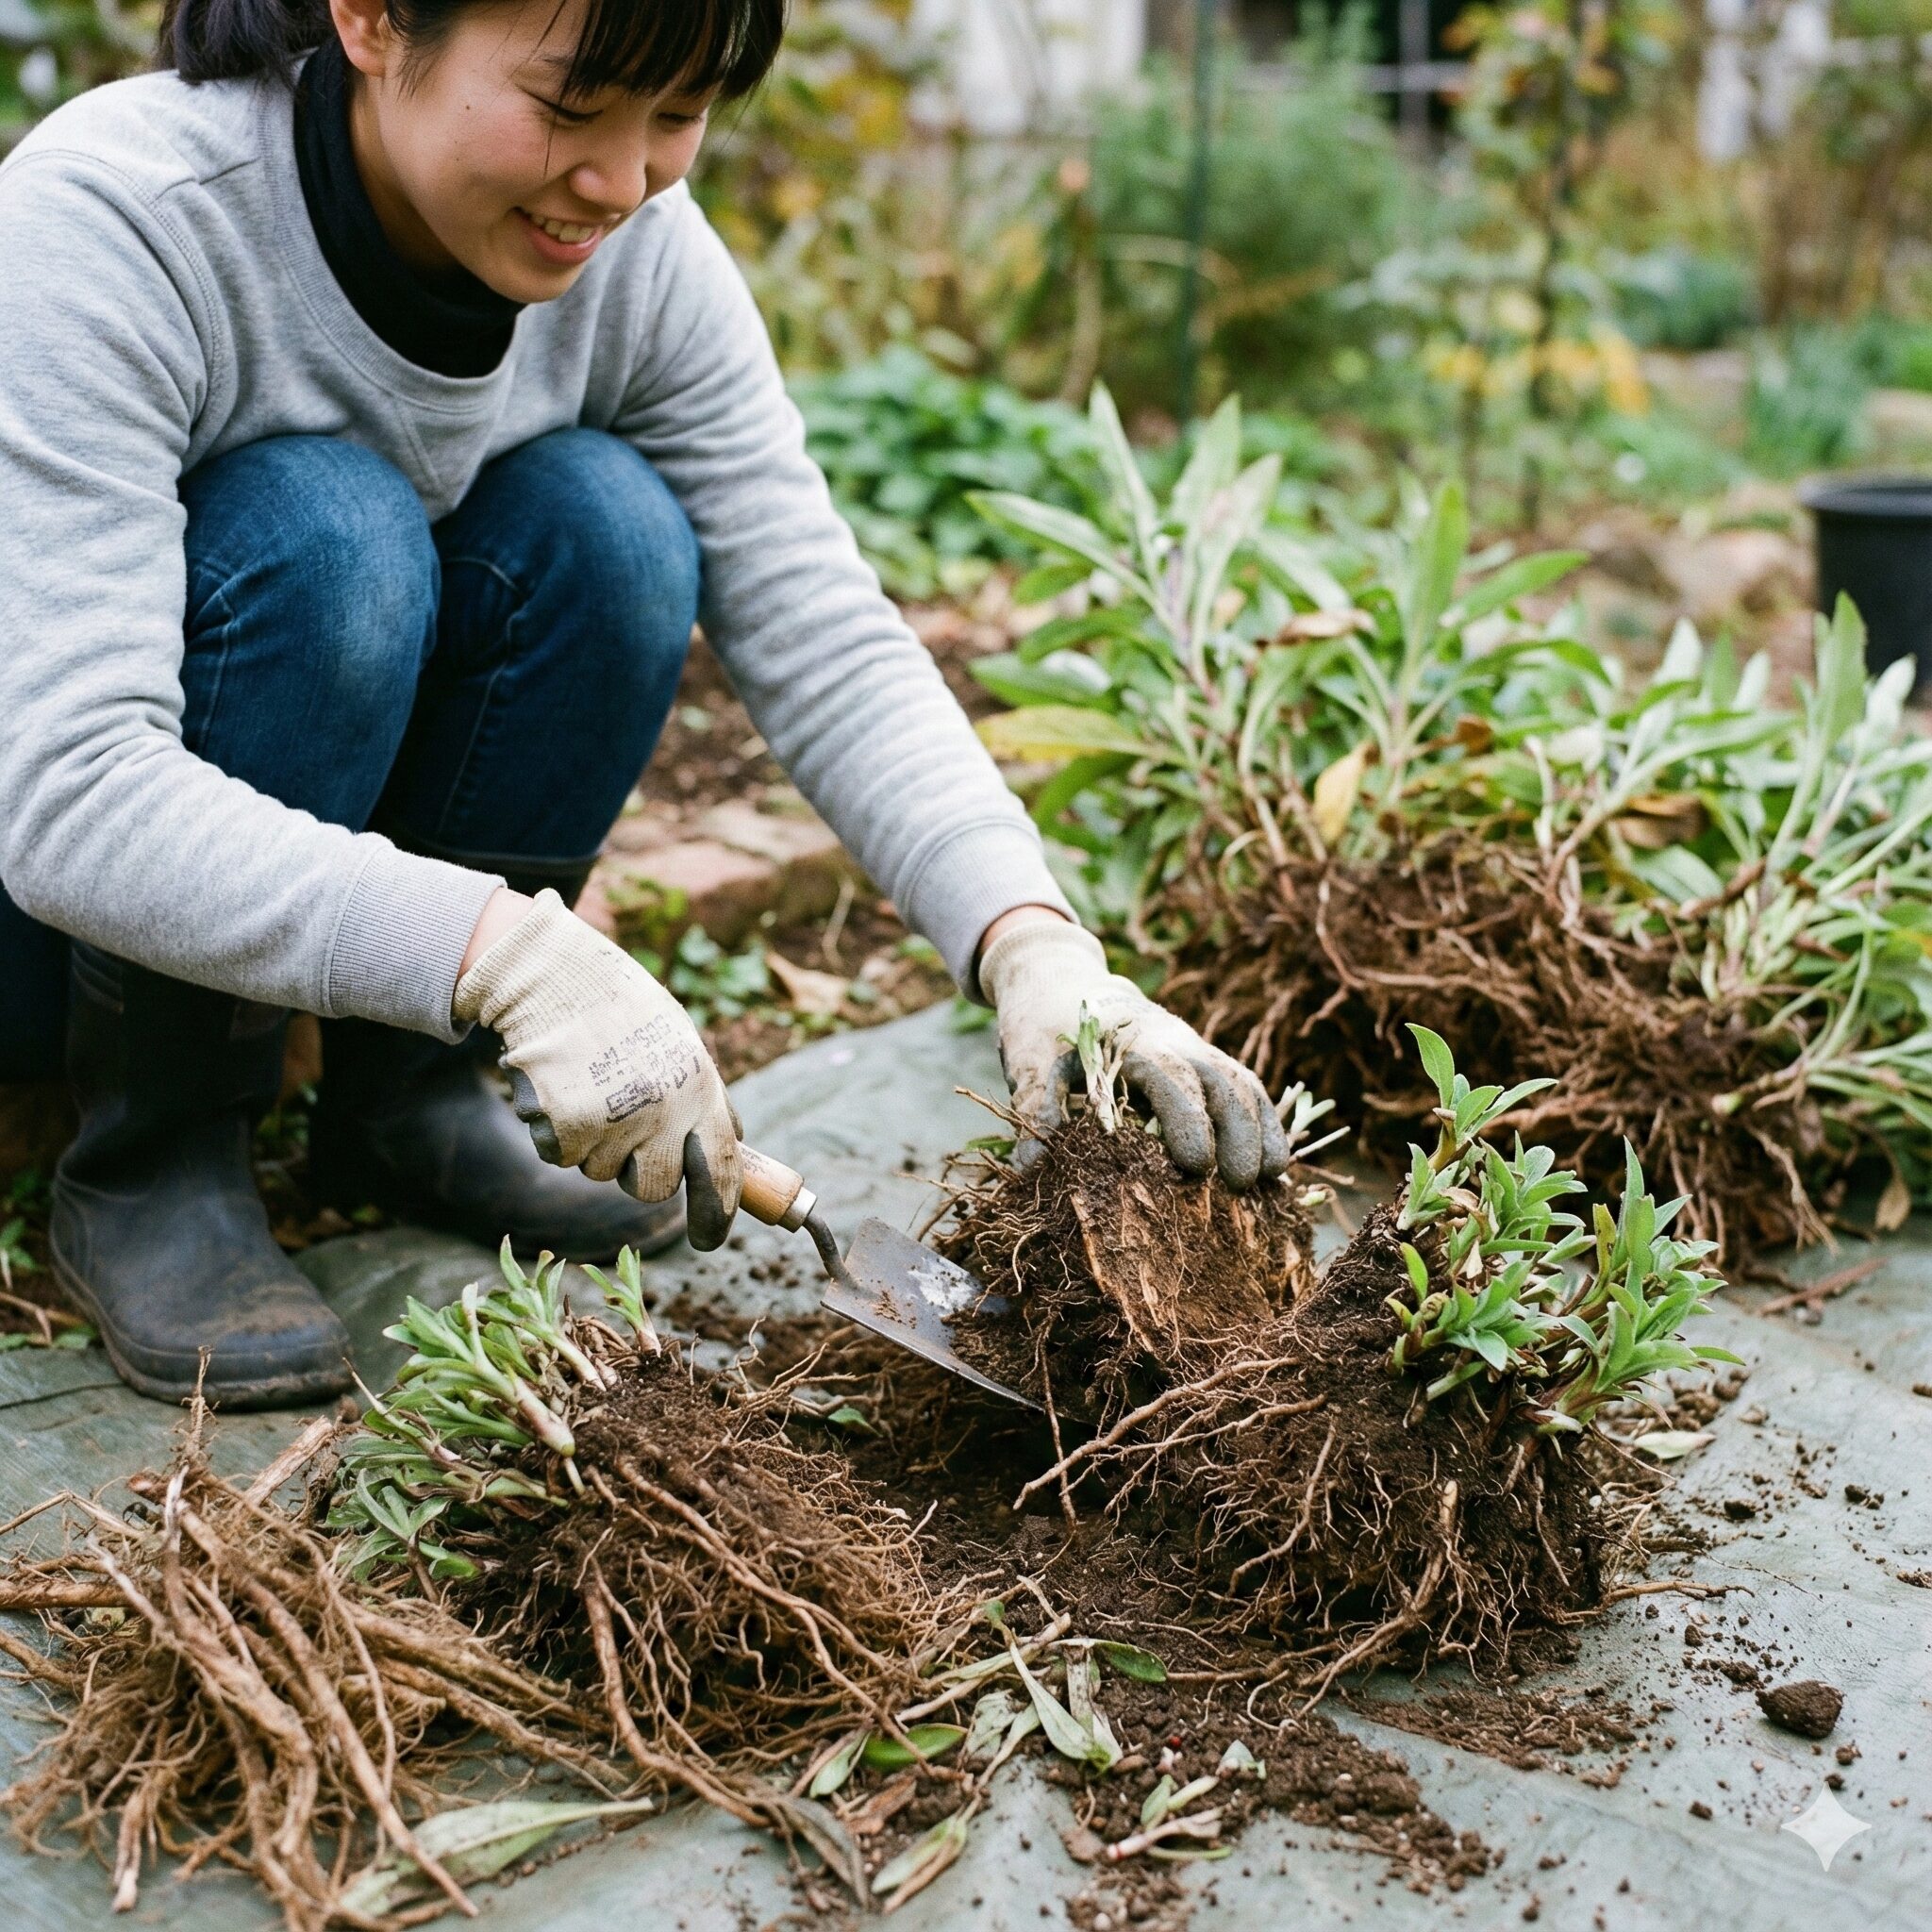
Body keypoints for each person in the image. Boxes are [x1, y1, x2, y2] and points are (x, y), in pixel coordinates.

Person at [0, 0, 1288, 1409]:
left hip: (259, 877)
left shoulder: (639, 260)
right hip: (51, 924)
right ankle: (158, 1154)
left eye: (677, 114)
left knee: (612, 533)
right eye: (571, 106)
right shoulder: (120, 219)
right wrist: (501, 954)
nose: (624, 181)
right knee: (333, 538)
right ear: (370, 17)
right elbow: (71, 790)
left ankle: (405, 1105)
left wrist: (1035, 947)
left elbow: (820, 626)